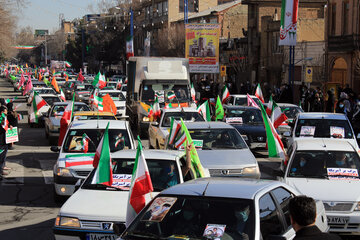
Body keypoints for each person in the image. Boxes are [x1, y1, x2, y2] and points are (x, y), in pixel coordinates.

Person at [0, 106, 12, 180]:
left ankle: (1, 170)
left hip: (4, 141)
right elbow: (2, 127)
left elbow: (6, 125)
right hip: (0, 142)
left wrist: (9, 126)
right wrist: (4, 128)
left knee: (3, 157)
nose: (6, 112)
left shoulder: (4, 118)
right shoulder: (1, 119)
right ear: (1, 112)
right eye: (5, 111)